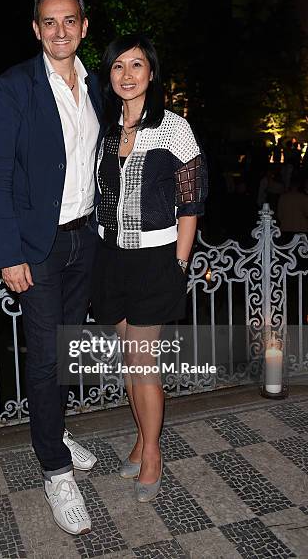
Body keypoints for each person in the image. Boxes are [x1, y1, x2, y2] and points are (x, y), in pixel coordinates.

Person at [0, 0, 101, 535]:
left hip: (86, 239)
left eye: (68, 21)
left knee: (70, 349)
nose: (59, 30)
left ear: (82, 26)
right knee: (46, 357)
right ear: (36, 30)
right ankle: (54, 469)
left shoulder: (98, 85)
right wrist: (8, 254)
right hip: (39, 246)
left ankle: (56, 431)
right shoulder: (14, 88)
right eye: (48, 22)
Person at [92, 34, 207, 501]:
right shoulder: (105, 128)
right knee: (130, 362)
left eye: (136, 65)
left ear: (151, 72)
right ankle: (142, 439)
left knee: (144, 364)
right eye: (118, 66)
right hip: (111, 258)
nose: (127, 74)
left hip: (156, 257)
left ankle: (154, 452)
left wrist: (180, 261)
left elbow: (191, 199)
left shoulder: (174, 128)